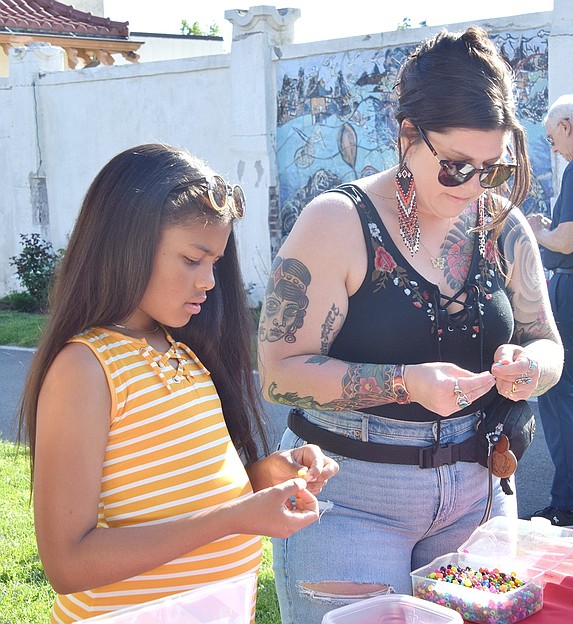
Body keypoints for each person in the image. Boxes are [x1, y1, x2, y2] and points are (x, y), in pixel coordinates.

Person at [258, 26, 563, 624]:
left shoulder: (501, 224)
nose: (474, 185)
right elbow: (278, 374)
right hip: (349, 497)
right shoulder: (337, 223)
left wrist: (528, 370)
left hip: (477, 495)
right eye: (454, 166)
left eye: (492, 169)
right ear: (406, 137)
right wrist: (406, 383)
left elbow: (548, 344)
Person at [17, 143, 339, 623]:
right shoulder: (86, 369)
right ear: (127, 243)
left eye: (214, 263)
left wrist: (262, 479)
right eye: (192, 259)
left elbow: (180, 502)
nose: (209, 282)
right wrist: (235, 518)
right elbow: (68, 562)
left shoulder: (184, 355)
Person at [527, 94, 573, 527]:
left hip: (572, 289)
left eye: (552, 137)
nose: (555, 148)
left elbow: (566, 241)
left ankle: (568, 501)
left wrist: (538, 230)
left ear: (566, 125)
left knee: (557, 392)